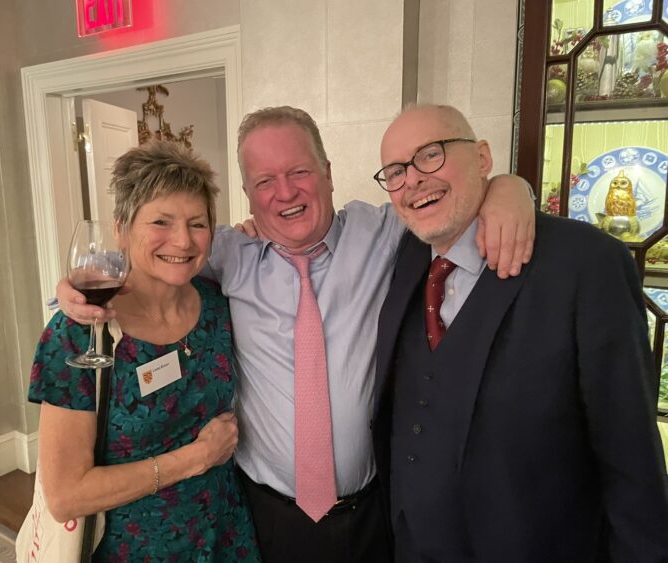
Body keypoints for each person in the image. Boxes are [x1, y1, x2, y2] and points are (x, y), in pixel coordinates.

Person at [57, 106, 536, 563]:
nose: (284, 193)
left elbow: (441, 203)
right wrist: (71, 292)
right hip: (265, 517)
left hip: (371, 513)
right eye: (265, 181)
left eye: (299, 172)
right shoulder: (224, 253)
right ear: (248, 194)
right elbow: (150, 263)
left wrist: (509, 188)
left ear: (327, 171)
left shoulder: (381, 233)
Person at [372, 104, 668, 562]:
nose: (412, 179)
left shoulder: (586, 264)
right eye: (395, 170)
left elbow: (631, 458)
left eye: (431, 155)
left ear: (484, 158)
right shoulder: (403, 254)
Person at [29, 140, 260, 562]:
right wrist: (195, 459)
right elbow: (65, 494)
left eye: (197, 223)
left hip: (226, 534)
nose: (182, 240)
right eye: (161, 221)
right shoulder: (82, 331)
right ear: (121, 228)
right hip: (134, 548)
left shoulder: (219, 304)